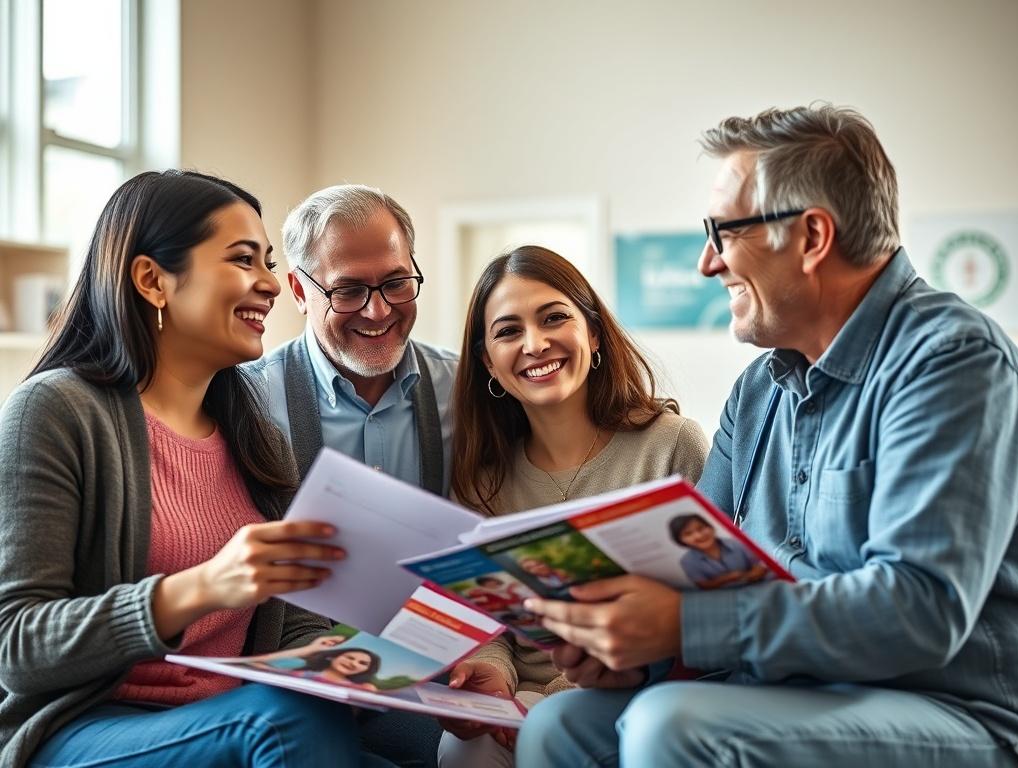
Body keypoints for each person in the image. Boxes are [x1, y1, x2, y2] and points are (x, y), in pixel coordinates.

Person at [515, 105, 1018, 768]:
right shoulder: (759, 390)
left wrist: (681, 627)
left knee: (672, 726)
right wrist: (631, 650)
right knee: (557, 724)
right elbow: (693, 573)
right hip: (781, 693)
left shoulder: (952, 360)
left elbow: (920, 609)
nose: (707, 263)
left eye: (722, 232)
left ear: (812, 237)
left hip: (949, 708)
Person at [0, 170, 370, 767]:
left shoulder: (258, 438)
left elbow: (295, 625)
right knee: (283, 724)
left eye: (268, 261)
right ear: (152, 280)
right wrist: (198, 588)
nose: (272, 284)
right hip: (90, 728)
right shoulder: (56, 411)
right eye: (244, 259)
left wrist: (342, 659)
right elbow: (16, 642)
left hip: (242, 719)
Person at [438, 245, 709, 768]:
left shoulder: (671, 445)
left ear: (595, 333)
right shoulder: (481, 478)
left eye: (554, 318)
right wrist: (491, 680)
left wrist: (553, 699)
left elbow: (703, 604)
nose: (534, 344)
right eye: (508, 331)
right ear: (487, 361)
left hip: (635, 693)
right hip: (516, 703)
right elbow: (482, 617)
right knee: (460, 750)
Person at [252, 184, 457, 496]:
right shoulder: (250, 401)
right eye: (348, 290)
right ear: (299, 291)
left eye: (396, 282)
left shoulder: (461, 388)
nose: (378, 311)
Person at [668, 514, 766, 589]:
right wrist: (728, 578)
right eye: (688, 534)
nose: (698, 535)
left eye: (701, 528)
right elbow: (704, 585)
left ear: (711, 527)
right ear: (680, 540)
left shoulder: (737, 543)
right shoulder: (687, 561)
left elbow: (758, 565)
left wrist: (754, 574)